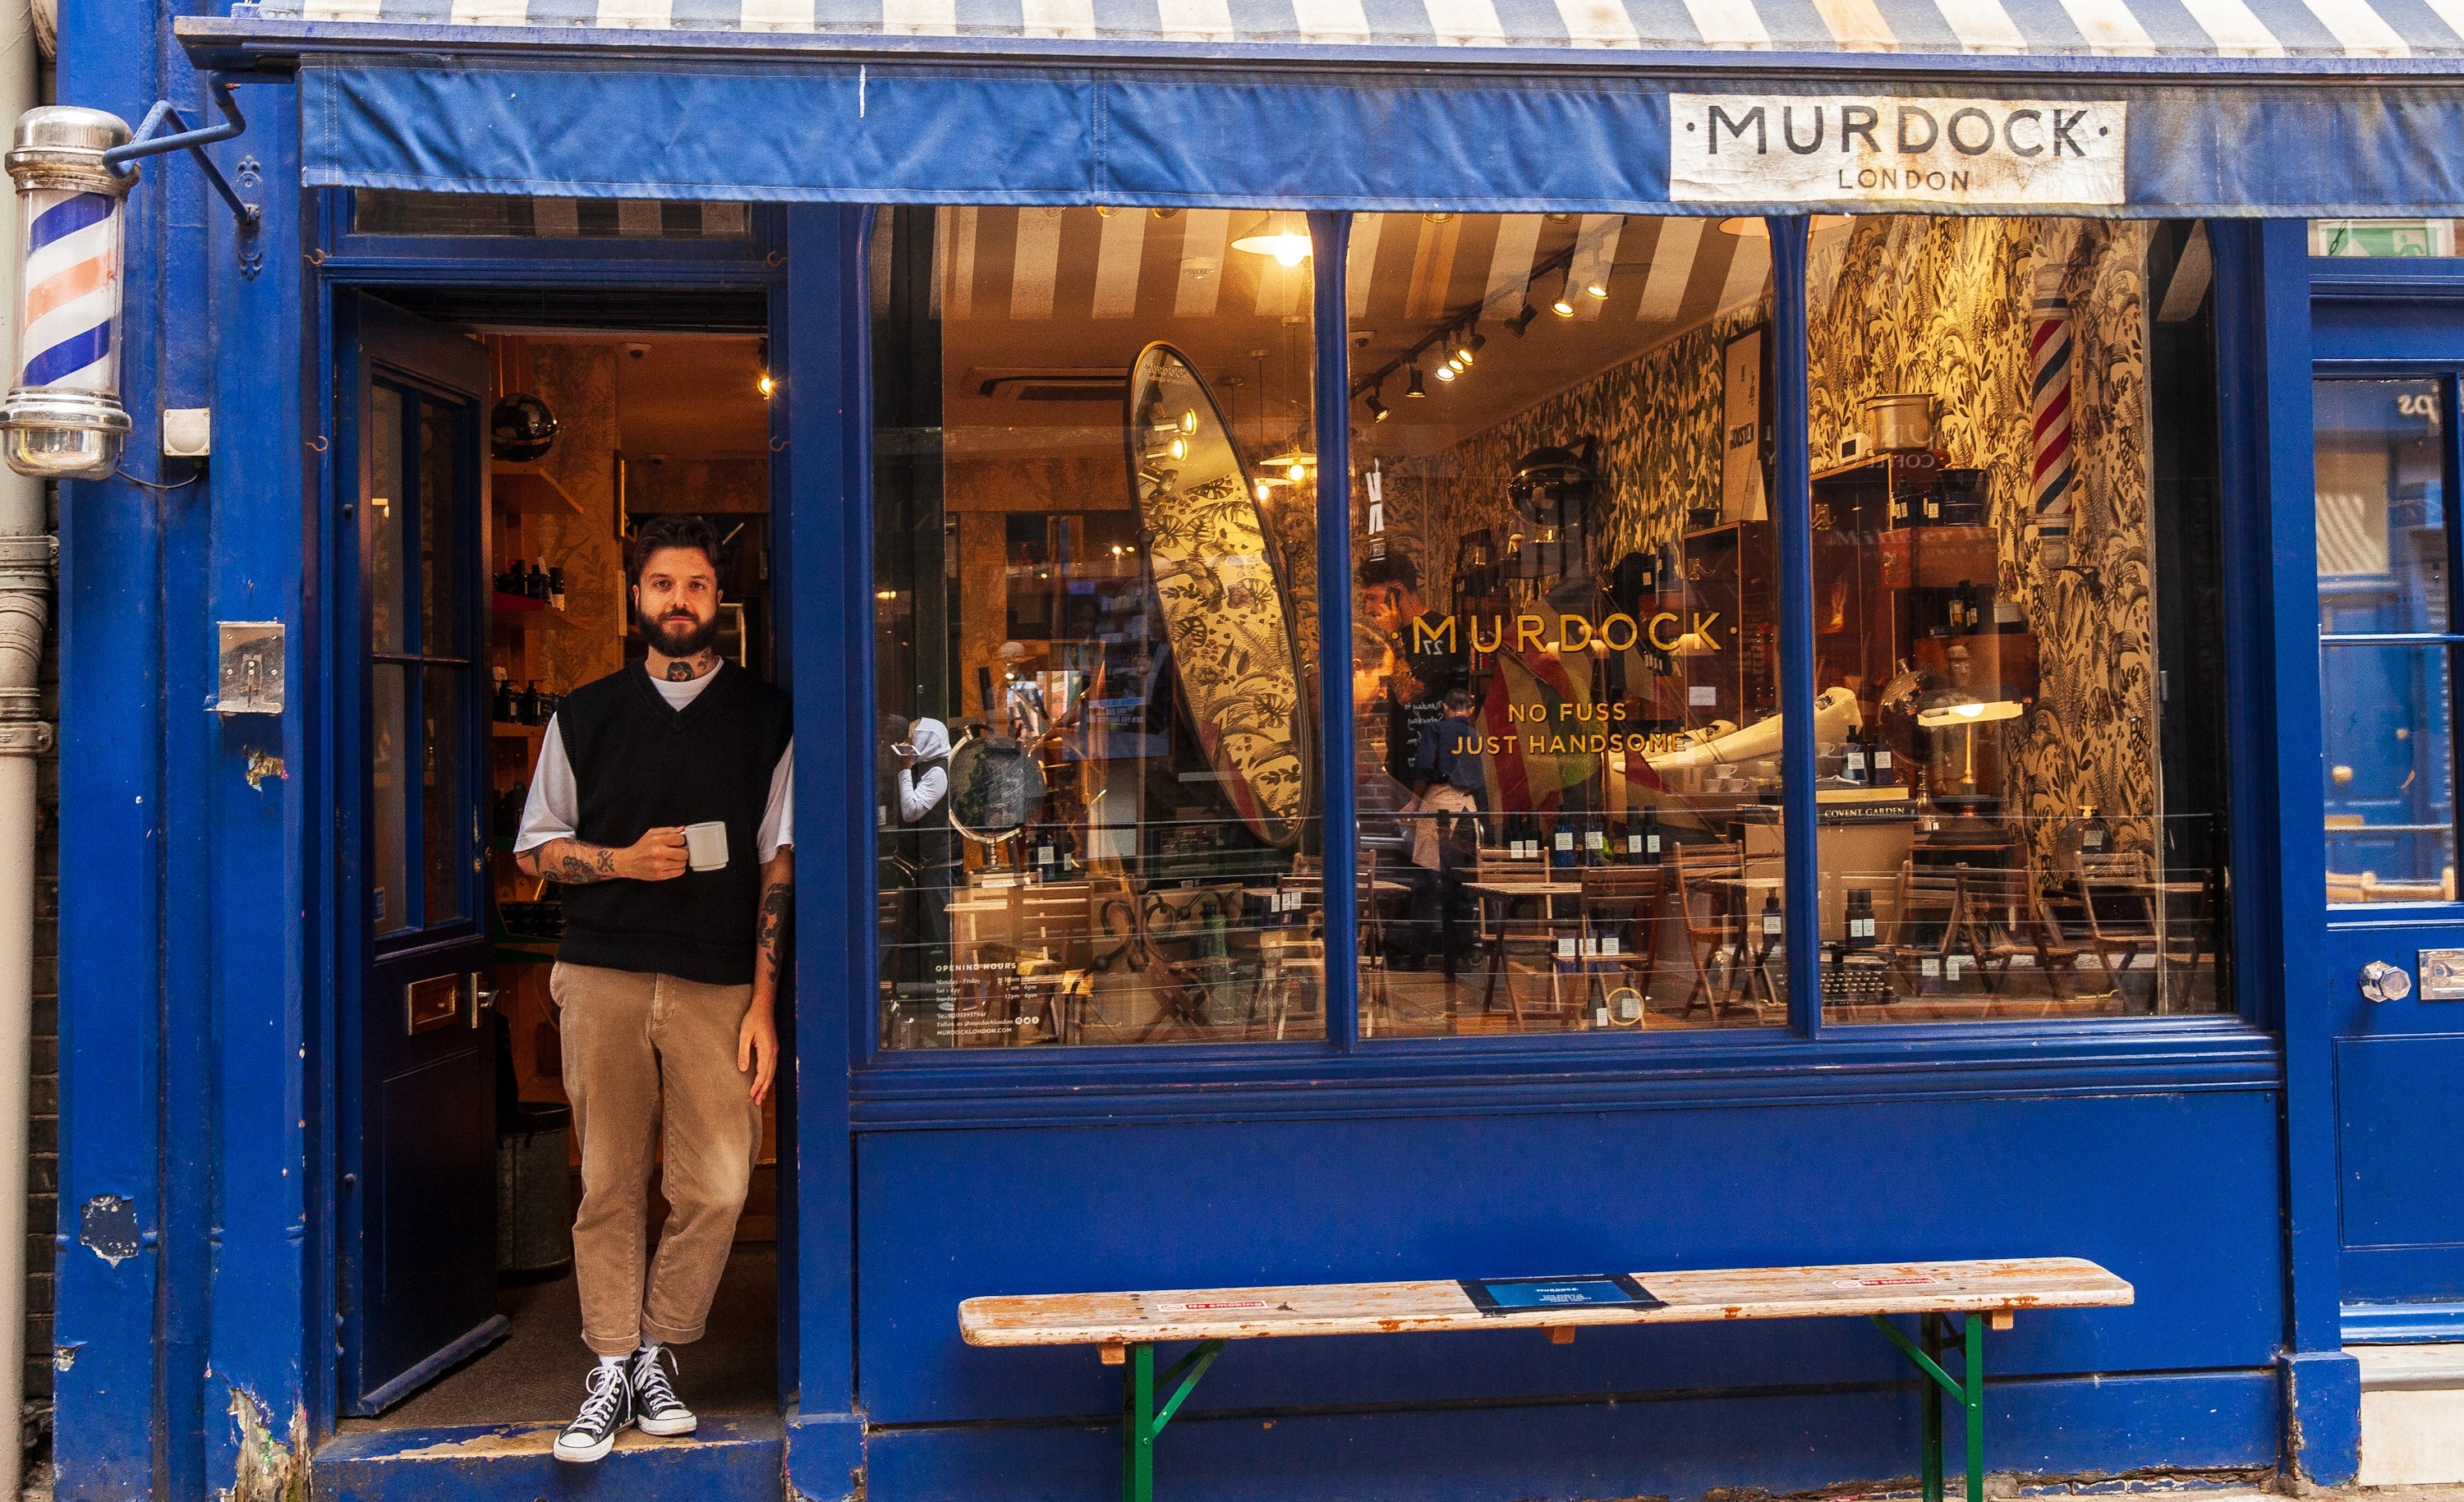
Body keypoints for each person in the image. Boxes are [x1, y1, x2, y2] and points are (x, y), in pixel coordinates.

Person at [513, 514, 794, 1464]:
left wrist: (763, 1002)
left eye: (699, 585)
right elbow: (536, 852)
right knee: (608, 1180)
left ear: (722, 600)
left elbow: (778, 869)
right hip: (602, 974)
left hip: (720, 983)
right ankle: (610, 1361)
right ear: (636, 598)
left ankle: (659, 1346)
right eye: (664, 584)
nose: (681, 600)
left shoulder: (768, 717)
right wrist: (622, 860)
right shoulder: (583, 715)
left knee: (717, 1180)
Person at [1410, 687, 1484, 975]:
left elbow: (1426, 768)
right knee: (1462, 884)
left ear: (1444, 707)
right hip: (1469, 809)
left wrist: (1414, 802)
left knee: (1428, 882)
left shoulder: (1435, 729)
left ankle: (1420, 955)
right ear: (1470, 711)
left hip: (1440, 804)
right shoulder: (1475, 737)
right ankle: (1462, 952)